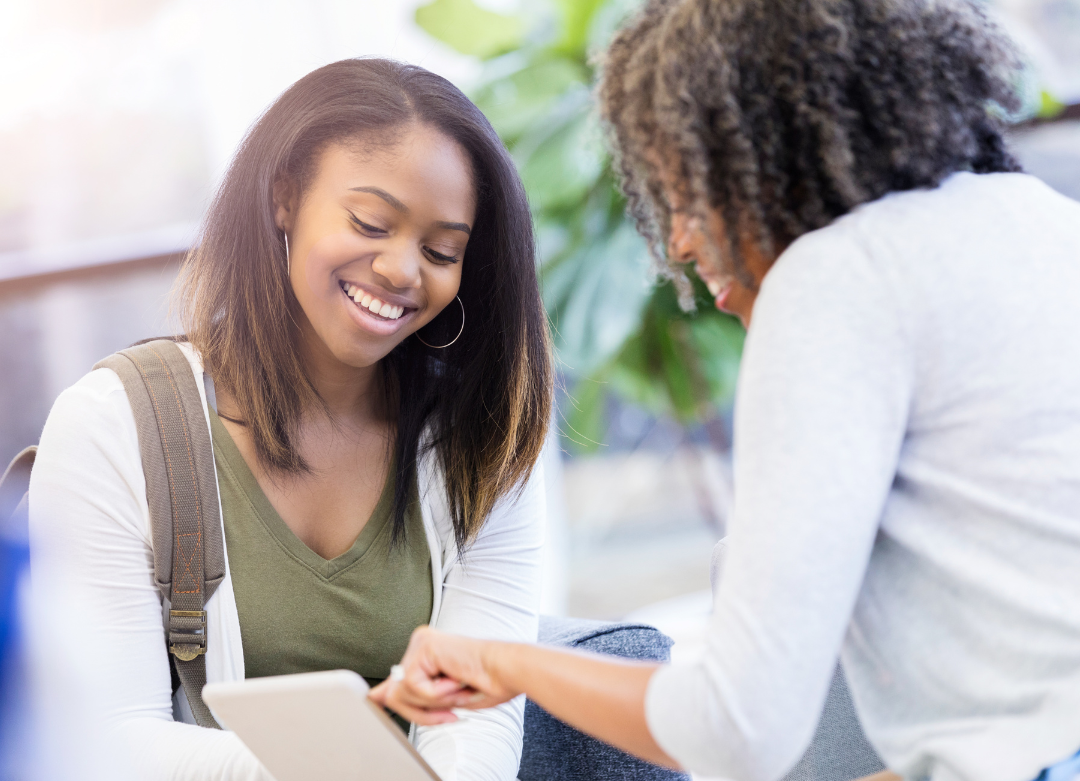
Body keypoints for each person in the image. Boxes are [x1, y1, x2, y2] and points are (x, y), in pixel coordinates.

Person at [369, 1, 1080, 780]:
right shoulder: (1042, 223)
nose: (676, 238)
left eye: (685, 190)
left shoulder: (837, 277)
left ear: (764, 152)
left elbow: (735, 732)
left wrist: (499, 661)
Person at [29, 58, 552, 781]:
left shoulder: (482, 435)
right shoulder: (111, 426)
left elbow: (478, 722)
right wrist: (347, 768)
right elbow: (109, 740)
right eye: (370, 221)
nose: (404, 269)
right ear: (284, 197)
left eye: (442, 251)